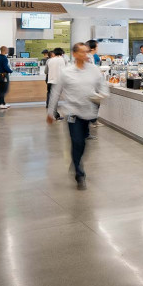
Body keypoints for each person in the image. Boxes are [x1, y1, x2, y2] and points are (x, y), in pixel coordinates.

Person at [47, 42, 108, 190]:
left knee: (82, 144)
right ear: (74, 54)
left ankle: (75, 162)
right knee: (76, 141)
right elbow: (55, 92)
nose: (85, 55)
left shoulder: (93, 70)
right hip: (71, 113)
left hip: (87, 112)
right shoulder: (66, 72)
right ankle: (79, 174)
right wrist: (51, 112)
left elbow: (103, 87)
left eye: (86, 52)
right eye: (81, 52)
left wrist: (101, 95)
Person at [46, 47, 67, 118]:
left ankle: (54, 114)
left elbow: (46, 71)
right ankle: (54, 115)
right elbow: (66, 70)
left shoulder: (50, 60)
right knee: (57, 98)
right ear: (62, 53)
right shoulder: (63, 60)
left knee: (53, 98)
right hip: (59, 81)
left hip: (50, 81)